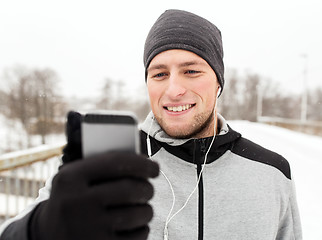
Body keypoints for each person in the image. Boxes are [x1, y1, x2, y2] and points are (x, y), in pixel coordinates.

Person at [0, 9, 302, 240]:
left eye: (191, 71)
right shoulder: (107, 166)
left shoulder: (272, 173)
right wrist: (40, 227)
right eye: (159, 74)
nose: (173, 89)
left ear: (219, 82)